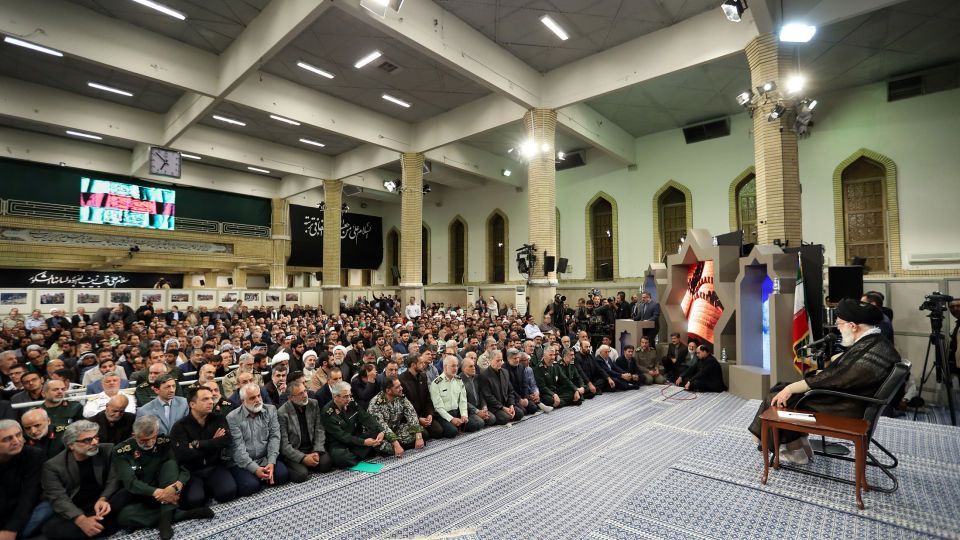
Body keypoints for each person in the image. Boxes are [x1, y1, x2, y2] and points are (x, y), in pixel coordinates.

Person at [747, 299, 901, 465]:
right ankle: (800, 444)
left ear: (853, 326)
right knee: (782, 388)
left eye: (839, 323)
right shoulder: (877, 342)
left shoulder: (871, 348)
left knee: (781, 398)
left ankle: (794, 450)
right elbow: (849, 368)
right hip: (856, 401)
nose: (837, 327)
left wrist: (792, 388)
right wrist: (838, 360)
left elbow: (839, 377)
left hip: (849, 408)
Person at [112, 416, 214, 540]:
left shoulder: (164, 442)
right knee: (123, 517)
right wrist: (159, 493)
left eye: (153, 438)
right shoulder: (122, 451)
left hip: (169, 485)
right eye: (144, 440)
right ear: (134, 435)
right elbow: (130, 483)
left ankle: (165, 522)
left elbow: (182, 466)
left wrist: (179, 484)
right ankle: (178, 515)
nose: (150, 443)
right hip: (144, 493)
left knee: (170, 464)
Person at [40, 420, 124, 539]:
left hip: (105, 502)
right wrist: (81, 520)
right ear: (71, 445)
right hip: (78, 507)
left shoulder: (108, 449)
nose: (95, 442)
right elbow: (58, 498)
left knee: (125, 492)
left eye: (96, 437)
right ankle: (103, 526)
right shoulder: (53, 466)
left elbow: (114, 479)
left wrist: (103, 498)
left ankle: (97, 527)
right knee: (50, 529)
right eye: (87, 440)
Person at [169, 386, 237, 509]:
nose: (211, 402)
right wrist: (213, 443)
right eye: (205, 399)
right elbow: (182, 454)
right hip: (192, 471)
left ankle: (208, 489)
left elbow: (226, 440)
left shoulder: (218, 418)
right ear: (192, 404)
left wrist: (198, 444)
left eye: (211, 398)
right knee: (193, 501)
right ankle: (204, 490)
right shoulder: (180, 426)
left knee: (228, 493)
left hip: (214, 466)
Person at [226, 383, 289, 496]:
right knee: (251, 486)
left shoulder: (270, 410)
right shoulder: (233, 417)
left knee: (282, 475)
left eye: (259, 396)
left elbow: (274, 437)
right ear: (242, 401)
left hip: (264, 458)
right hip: (244, 462)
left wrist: (271, 462)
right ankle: (259, 477)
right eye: (252, 398)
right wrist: (255, 469)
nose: (257, 400)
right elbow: (238, 449)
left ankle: (263, 475)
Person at [0, 419, 50, 539]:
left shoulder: (35, 455)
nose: (16, 441)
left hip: (26, 508)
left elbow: (29, 494)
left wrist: (11, 529)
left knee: (48, 506)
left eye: (18, 435)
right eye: (7, 439)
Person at [320, 382, 387, 468]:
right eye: (345, 396)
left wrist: (380, 430)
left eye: (349, 395)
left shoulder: (351, 402)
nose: (348, 399)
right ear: (335, 397)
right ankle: (362, 453)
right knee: (341, 458)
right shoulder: (328, 413)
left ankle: (357, 455)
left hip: (355, 437)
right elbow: (342, 436)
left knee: (377, 433)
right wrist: (363, 442)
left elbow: (366, 417)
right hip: (339, 444)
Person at [277, 380, 332, 482]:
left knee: (326, 464)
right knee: (301, 475)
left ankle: (310, 462)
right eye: (300, 394)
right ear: (291, 398)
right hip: (295, 450)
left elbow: (319, 429)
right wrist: (303, 458)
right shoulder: (282, 413)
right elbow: (284, 445)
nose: (305, 395)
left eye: (305, 391)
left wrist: (317, 451)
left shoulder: (313, 404)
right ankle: (301, 465)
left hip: (311, 447)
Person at [367, 376, 426, 457]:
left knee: (421, 432)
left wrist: (418, 437)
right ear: (388, 391)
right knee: (380, 445)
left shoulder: (400, 396)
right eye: (397, 387)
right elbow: (382, 427)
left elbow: (411, 414)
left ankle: (401, 446)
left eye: (400, 385)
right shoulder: (375, 404)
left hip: (396, 429)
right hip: (381, 435)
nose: (401, 388)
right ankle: (399, 446)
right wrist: (396, 444)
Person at [429, 356, 477, 436]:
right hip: (443, 415)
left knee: (475, 425)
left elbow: (463, 400)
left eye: (457, 366)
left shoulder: (459, 380)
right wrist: (451, 419)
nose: (456, 368)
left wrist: (464, 415)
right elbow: (438, 407)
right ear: (445, 367)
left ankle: (459, 425)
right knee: (453, 432)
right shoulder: (436, 383)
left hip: (456, 411)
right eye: (453, 366)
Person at [399, 353, 442, 439]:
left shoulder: (423, 376)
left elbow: (427, 398)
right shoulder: (402, 380)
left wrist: (430, 414)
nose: (424, 365)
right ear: (413, 365)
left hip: (424, 414)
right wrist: (418, 419)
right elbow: (403, 407)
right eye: (421, 363)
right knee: (425, 436)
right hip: (411, 418)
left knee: (438, 432)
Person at [478, 350, 525, 425]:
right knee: (505, 418)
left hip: (506, 403)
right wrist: (503, 408)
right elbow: (488, 396)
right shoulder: (484, 375)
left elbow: (510, 391)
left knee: (520, 413)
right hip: (495, 407)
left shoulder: (505, 372)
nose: (500, 362)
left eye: (501, 360)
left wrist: (511, 405)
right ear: (490, 361)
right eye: (497, 360)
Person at [459, 357, 495, 428]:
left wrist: (484, 407)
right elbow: (463, 401)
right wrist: (477, 411)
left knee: (492, 419)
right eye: (471, 366)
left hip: (479, 407)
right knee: (480, 423)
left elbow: (481, 394)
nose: (474, 368)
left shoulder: (477, 377)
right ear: (464, 369)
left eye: (474, 366)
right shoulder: (459, 380)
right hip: (468, 411)